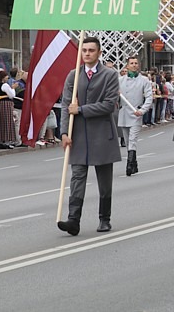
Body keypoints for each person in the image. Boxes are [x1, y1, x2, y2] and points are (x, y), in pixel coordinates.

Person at [58, 37, 121, 236]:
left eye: (91, 50)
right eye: (84, 50)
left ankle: (105, 218)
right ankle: (73, 220)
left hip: (102, 133)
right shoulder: (73, 76)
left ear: (99, 53)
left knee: (104, 179)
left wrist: (82, 110)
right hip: (79, 135)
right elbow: (66, 106)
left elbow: (109, 105)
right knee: (77, 177)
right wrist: (64, 132)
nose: (87, 53)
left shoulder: (109, 75)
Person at [118, 56, 153, 176]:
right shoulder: (120, 80)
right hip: (124, 113)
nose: (134, 65)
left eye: (136, 63)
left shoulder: (144, 80)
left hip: (136, 113)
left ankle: (129, 164)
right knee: (127, 140)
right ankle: (134, 164)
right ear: (127, 66)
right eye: (131, 63)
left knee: (133, 139)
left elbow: (149, 97)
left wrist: (142, 110)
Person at [0, 70, 18, 147]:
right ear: (3, 77)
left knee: (0, 122)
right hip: (6, 104)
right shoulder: (5, 85)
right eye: (6, 76)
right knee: (7, 122)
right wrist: (13, 88)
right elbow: (12, 95)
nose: (8, 77)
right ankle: (6, 139)